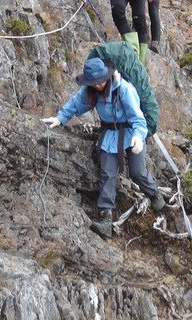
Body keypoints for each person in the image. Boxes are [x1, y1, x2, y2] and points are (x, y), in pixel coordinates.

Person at [41, 57, 165, 238]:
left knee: (137, 172)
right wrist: (60, 118)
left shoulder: (124, 89)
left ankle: (155, 194)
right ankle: (106, 219)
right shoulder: (90, 90)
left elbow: (138, 118)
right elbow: (75, 103)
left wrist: (139, 138)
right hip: (109, 135)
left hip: (131, 132)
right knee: (107, 173)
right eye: (94, 83)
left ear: (106, 76)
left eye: (100, 81)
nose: (98, 86)